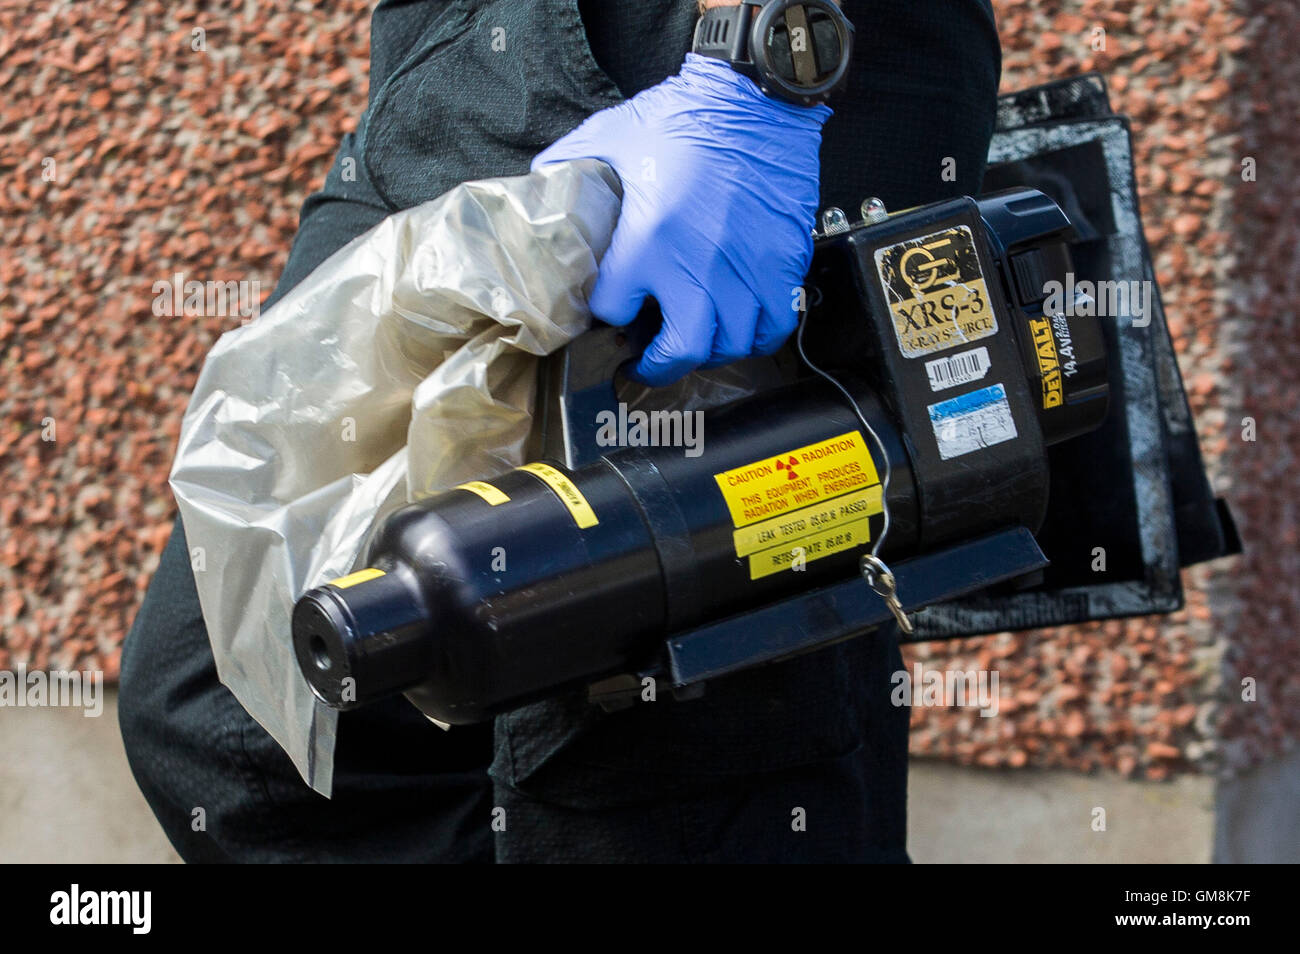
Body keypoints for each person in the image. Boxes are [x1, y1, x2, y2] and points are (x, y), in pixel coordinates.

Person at [119, 0, 1002, 863]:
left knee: (642, 767)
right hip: (464, 56)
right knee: (227, 730)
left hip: (709, 58)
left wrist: (765, 62)